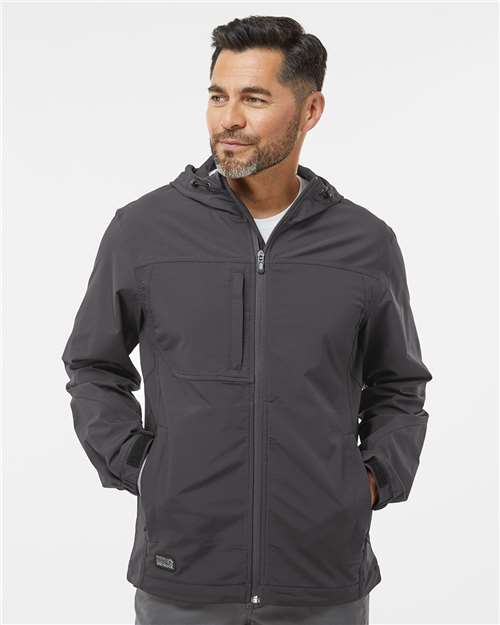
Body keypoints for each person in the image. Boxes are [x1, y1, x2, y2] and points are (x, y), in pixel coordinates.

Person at [61, 15, 432, 625]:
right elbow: (92, 365)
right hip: (183, 573)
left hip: (322, 578)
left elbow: (399, 385)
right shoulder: (144, 231)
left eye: (254, 99)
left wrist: (370, 480)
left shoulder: (365, 244)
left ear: (310, 111)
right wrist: (141, 466)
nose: (227, 118)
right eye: (218, 96)